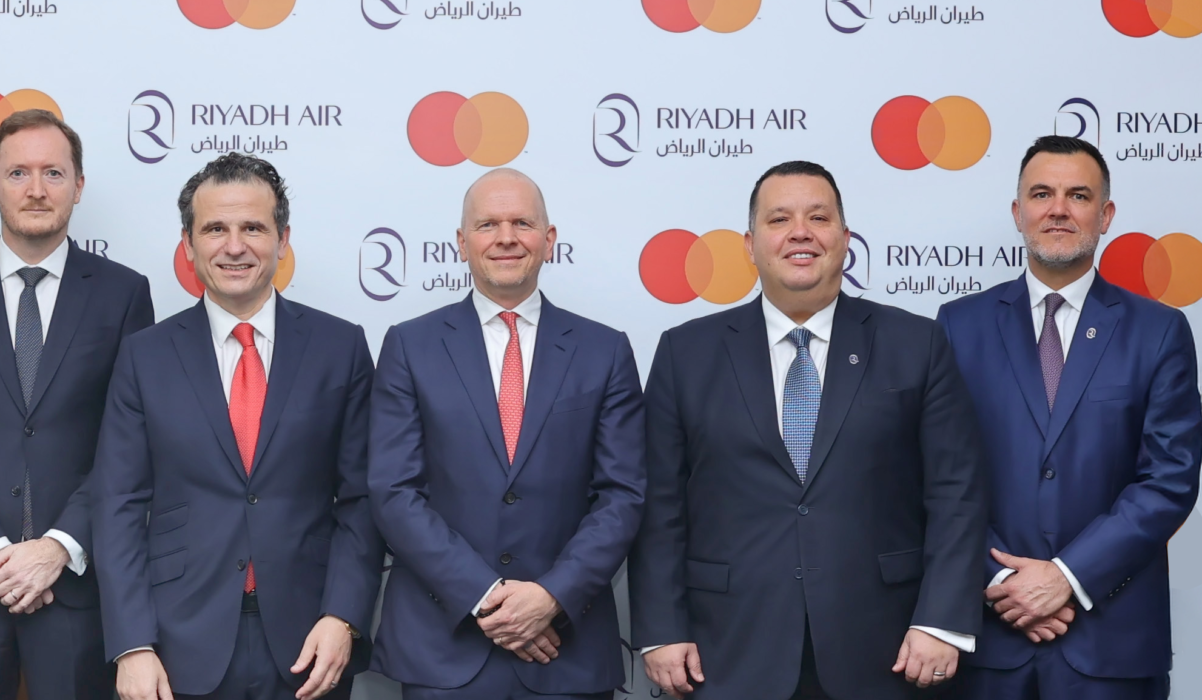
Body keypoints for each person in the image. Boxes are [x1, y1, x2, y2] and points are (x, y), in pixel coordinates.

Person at [629, 161, 988, 699]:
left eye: (818, 218)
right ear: (750, 245)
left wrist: (942, 621)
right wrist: (661, 628)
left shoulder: (917, 344)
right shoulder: (686, 352)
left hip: (887, 650)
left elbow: (956, 493)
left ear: (845, 239)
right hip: (725, 651)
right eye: (779, 219)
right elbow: (659, 505)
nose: (801, 232)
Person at [90, 153, 383, 700]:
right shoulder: (144, 356)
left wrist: (343, 616)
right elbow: (118, 505)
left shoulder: (340, 348)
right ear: (188, 244)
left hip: (311, 640)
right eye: (215, 229)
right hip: (176, 642)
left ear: (282, 239)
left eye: (253, 227)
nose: (234, 246)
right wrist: (131, 644)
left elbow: (363, 499)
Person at [937, 135, 1202, 700]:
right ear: (1018, 213)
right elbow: (935, 475)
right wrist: (1003, 580)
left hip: (1112, 646)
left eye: (1078, 195)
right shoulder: (958, 325)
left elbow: (1169, 480)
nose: (1058, 209)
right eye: (1041, 194)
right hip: (989, 641)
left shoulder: (1159, 331)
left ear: (1105, 215)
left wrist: (1066, 577)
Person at [368, 168, 646, 700]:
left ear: (549, 238)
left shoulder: (605, 351)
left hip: (566, 649)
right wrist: (486, 596)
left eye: (522, 223)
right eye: (487, 224)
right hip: (443, 650)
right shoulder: (409, 346)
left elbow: (622, 494)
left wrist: (551, 597)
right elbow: (394, 491)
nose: (506, 238)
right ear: (461, 242)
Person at [0, 109, 154, 699]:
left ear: (78, 185)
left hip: (76, 581)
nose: (36, 189)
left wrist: (58, 547)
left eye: (53, 173)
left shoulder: (124, 293)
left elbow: (130, 441)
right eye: (18, 173)